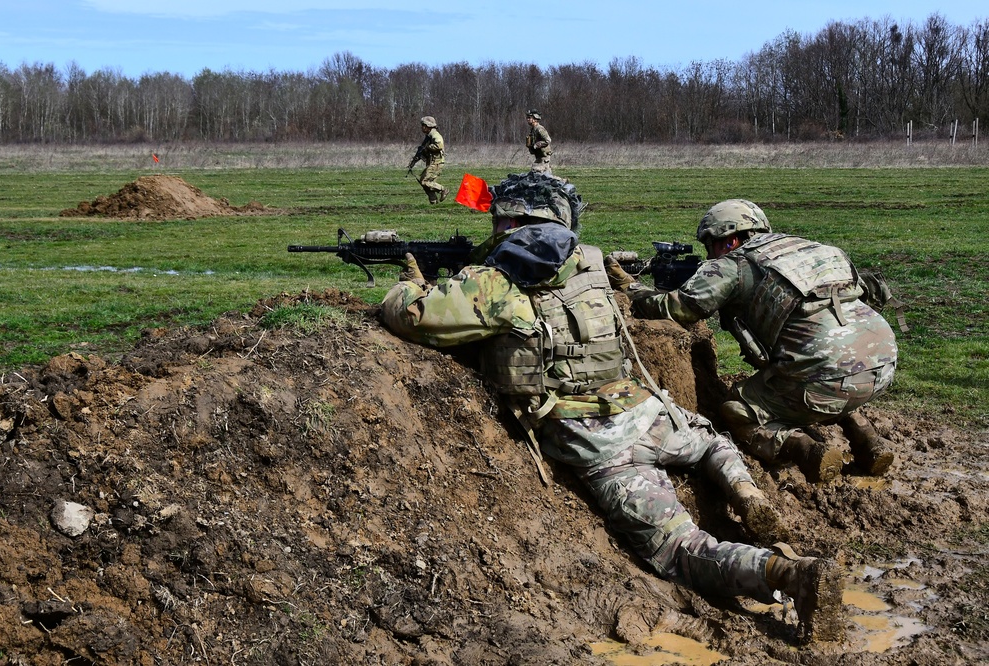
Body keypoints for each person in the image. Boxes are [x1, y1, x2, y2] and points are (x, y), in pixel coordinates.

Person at [381, 174, 844, 642]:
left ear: (515, 220)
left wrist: (410, 284)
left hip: (597, 440)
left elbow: (412, 316)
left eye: (500, 217)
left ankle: (789, 574)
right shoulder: (590, 262)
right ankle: (748, 494)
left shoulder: (498, 284)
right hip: (647, 410)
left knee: (680, 550)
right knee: (710, 443)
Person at [606, 199, 897, 484]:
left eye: (711, 245)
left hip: (822, 378)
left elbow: (679, 308)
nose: (710, 255)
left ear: (728, 240)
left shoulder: (736, 263)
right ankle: (869, 442)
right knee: (830, 374)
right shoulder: (808, 248)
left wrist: (630, 288)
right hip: (881, 364)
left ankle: (803, 449)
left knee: (737, 408)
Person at [410, 116, 446, 203]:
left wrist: (427, 148)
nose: (422, 127)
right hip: (432, 162)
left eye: (423, 125)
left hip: (436, 162)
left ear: (428, 126)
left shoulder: (435, 135)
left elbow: (439, 145)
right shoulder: (429, 136)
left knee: (425, 181)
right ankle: (433, 200)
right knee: (424, 181)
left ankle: (443, 190)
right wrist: (414, 160)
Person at [525, 110, 553, 174]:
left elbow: (548, 140)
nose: (527, 119)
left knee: (536, 170)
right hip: (539, 156)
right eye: (527, 118)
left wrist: (538, 144)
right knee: (542, 174)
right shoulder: (533, 130)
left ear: (535, 119)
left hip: (544, 156)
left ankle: (563, 182)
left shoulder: (539, 129)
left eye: (529, 118)